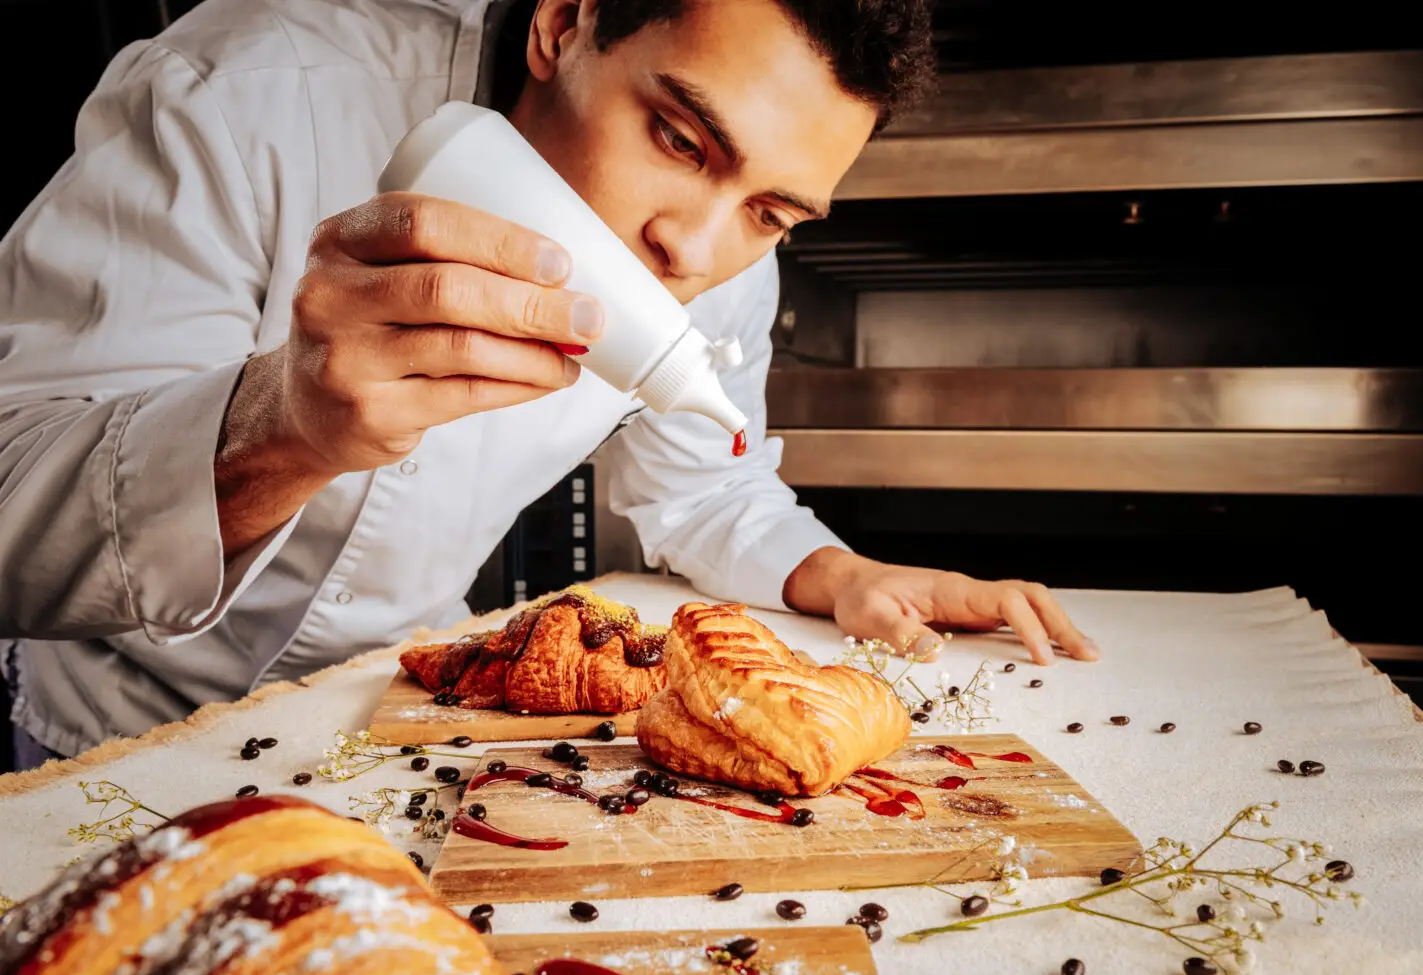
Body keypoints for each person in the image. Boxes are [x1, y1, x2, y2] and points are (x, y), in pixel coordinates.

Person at [0, 0, 1097, 769]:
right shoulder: (245, 92)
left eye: (770, 212)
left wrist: (839, 573)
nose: (693, 249)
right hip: (117, 738)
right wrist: (278, 427)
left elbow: (704, 486)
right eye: (679, 138)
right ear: (564, 23)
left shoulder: (718, 247)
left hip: (402, 718)